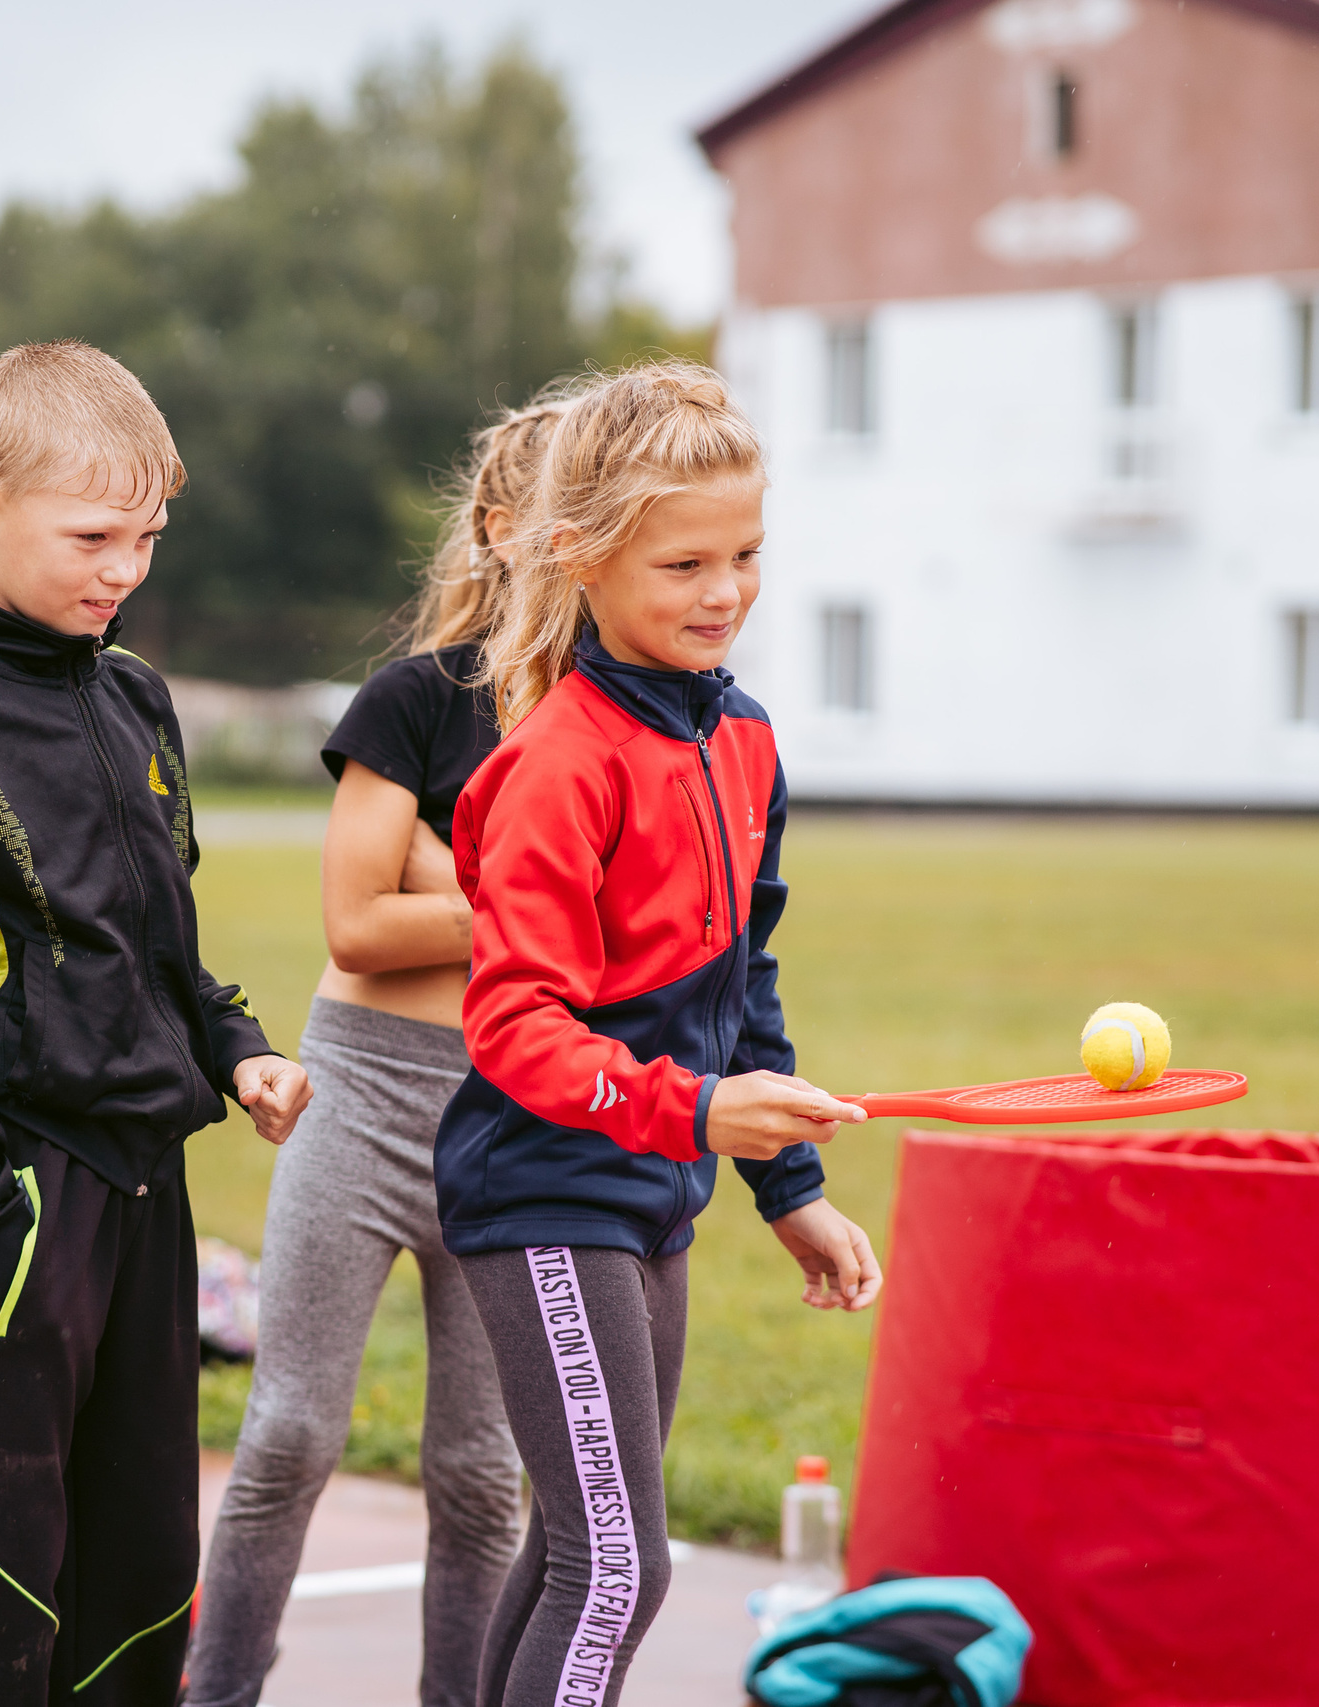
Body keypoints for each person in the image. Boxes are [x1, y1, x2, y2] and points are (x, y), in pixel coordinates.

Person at [0, 340, 311, 1705]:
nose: (122, 571)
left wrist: (242, 1049)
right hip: (1, 1205)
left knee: (141, 1574)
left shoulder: (135, 693)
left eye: (147, 538)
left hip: (145, 1192)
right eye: (92, 536)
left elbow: (165, 945)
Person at [440, 361, 885, 1707]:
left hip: (651, 1196)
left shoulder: (742, 739)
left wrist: (790, 1190)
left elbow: (741, 980)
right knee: (619, 1564)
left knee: (581, 1552)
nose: (724, 589)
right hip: (544, 1191)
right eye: (685, 560)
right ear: (580, 554)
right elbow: (515, 1019)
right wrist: (693, 1112)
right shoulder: (558, 763)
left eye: (745, 554)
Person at [185, 399, 569, 1707]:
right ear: (505, 526)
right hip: (363, 1090)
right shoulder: (417, 696)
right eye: (576, 514)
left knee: (478, 1470)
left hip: (512, 1115)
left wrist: (445, 879)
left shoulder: (614, 726)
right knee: (290, 1429)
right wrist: (528, 902)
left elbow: (623, 954)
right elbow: (357, 922)